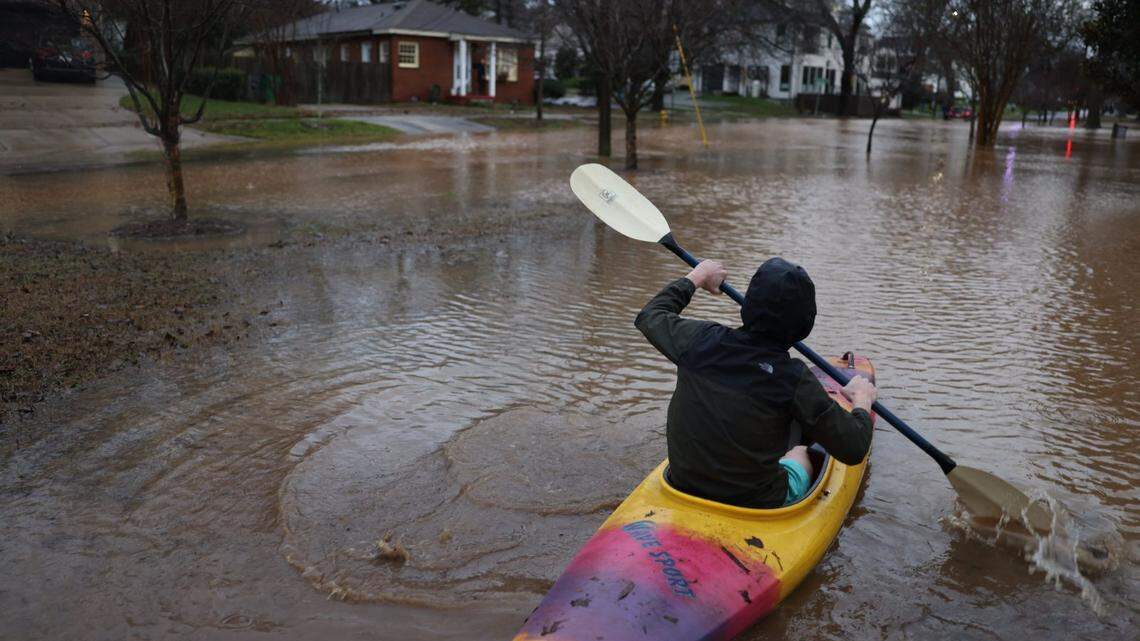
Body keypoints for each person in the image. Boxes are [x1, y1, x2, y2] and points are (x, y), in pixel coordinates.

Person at [634, 257, 876, 508]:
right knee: (799, 453)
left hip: (683, 483)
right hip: (757, 502)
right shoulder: (793, 378)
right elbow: (853, 448)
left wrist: (698, 276)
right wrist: (861, 401)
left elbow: (650, 316)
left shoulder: (699, 340)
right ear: (805, 324)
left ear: (747, 306)